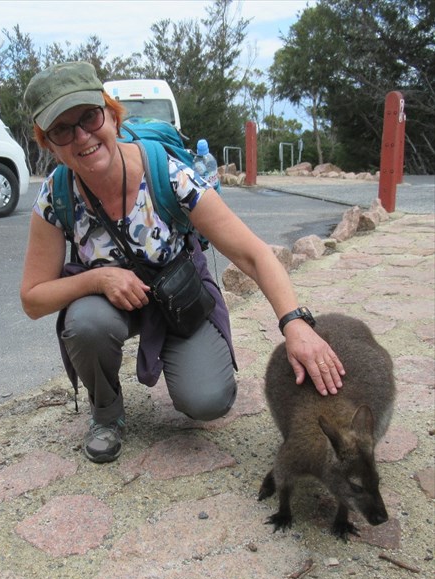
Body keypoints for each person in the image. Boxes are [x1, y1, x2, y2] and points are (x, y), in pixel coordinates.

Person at [21, 61, 345, 464]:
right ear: (47, 143)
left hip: (179, 299)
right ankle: (106, 413)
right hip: (111, 304)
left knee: (208, 401)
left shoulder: (168, 174)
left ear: (111, 114)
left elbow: (254, 253)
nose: (82, 136)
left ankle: (190, 367)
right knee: (87, 321)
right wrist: (100, 279)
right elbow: (33, 298)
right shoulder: (57, 195)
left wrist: (295, 323)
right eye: (62, 130)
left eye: (89, 116)